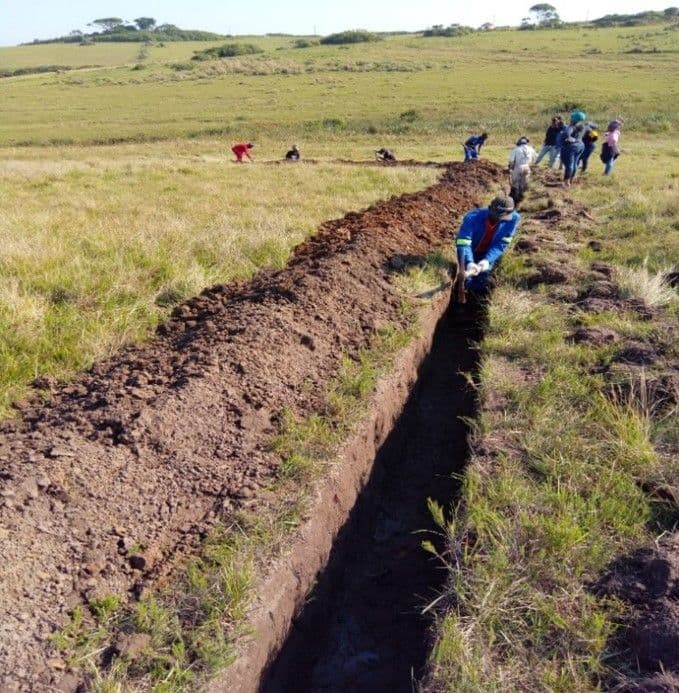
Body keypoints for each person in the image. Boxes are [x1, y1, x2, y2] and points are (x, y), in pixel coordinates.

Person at [455, 195, 520, 295]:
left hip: (488, 252)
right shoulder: (472, 217)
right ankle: (462, 299)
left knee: (483, 277)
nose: (499, 220)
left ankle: (475, 299)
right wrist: (469, 262)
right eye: (497, 216)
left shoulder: (513, 219)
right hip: (470, 251)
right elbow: (463, 242)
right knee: (466, 280)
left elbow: (502, 243)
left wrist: (487, 260)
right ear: (490, 209)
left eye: (503, 218)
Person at [560, 111, 586, 187]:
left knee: (569, 164)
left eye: (572, 117)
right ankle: (571, 179)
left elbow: (568, 132)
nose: (570, 118)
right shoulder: (582, 126)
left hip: (571, 147)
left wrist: (568, 137)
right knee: (575, 163)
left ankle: (566, 182)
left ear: (574, 119)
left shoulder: (571, 126)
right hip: (580, 145)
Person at [508, 136, 537, 205]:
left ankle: (515, 199)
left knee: (516, 183)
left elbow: (511, 161)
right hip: (527, 167)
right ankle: (522, 198)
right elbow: (535, 158)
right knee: (524, 183)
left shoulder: (516, 149)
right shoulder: (531, 149)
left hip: (518, 167)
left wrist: (510, 168)